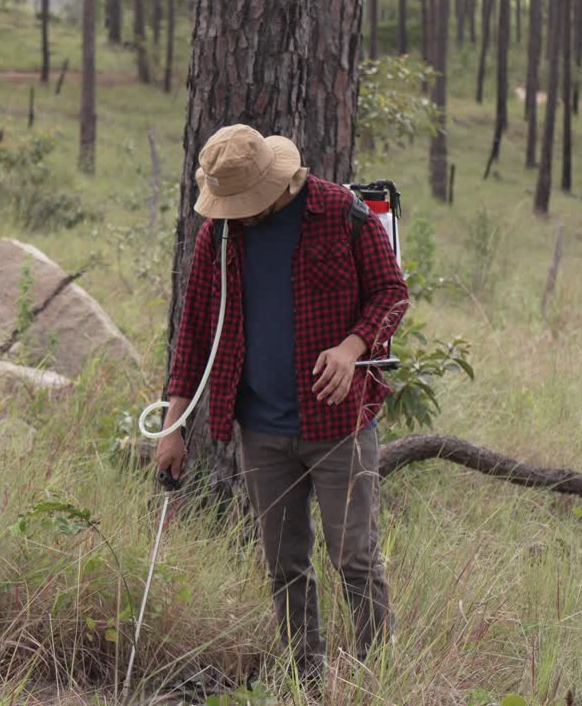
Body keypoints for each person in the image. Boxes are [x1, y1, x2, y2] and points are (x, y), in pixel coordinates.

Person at [154, 124, 409, 680]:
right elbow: (194, 331)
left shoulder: (341, 214)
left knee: (356, 560)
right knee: (284, 566)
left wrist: (352, 346)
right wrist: (173, 427)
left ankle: (379, 680)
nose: (235, 215)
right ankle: (305, 681)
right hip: (261, 430)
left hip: (339, 424)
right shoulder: (219, 237)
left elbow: (392, 293)